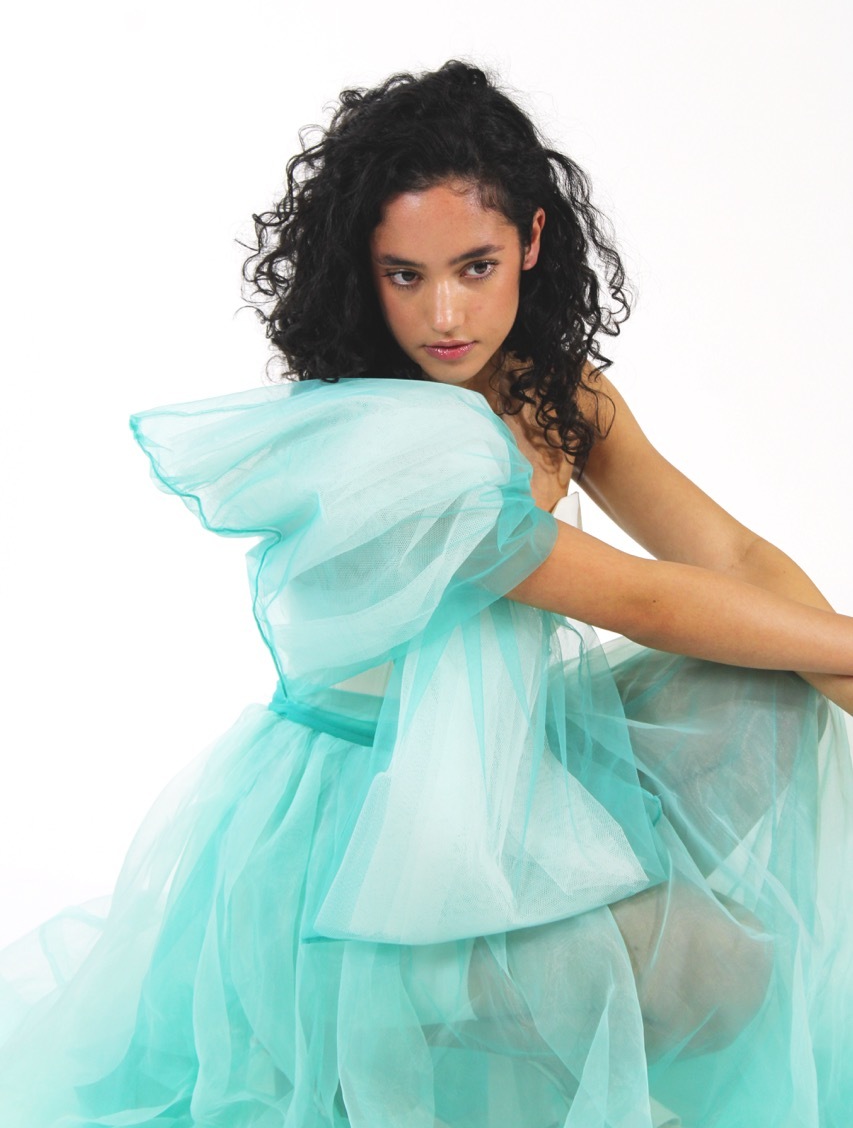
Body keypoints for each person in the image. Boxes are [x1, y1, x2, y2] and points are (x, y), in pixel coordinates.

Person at [0, 59, 850, 1128]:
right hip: (365, 827)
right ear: (364, 270)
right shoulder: (387, 438)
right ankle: (409, 1017)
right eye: (404, 275)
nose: (443, 313)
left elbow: (727, 554)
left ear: (531, 242)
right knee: (709, 974)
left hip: (503, 773)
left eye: (474, 266)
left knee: (772, 690)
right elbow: (643, 600)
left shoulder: (561, 394)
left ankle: (522, 1006)